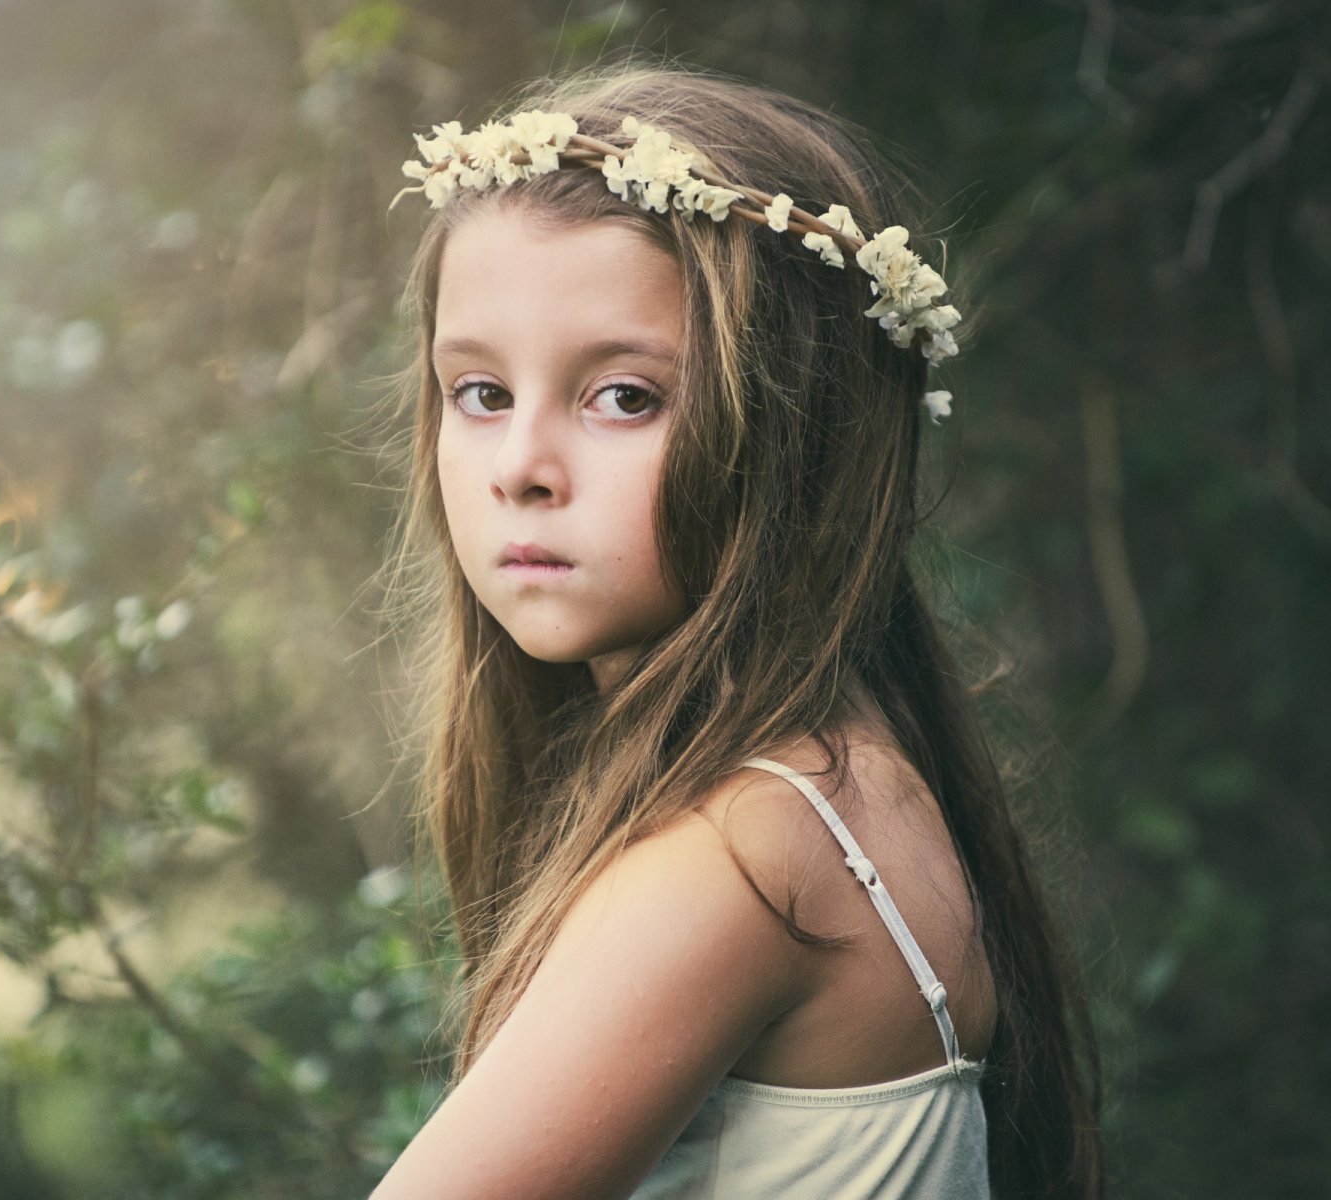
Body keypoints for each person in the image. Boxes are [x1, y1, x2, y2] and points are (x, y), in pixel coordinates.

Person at [366, 61, 1103, 1200]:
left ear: (792, 430)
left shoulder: (744, 849)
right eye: (480, 393)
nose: (520, 469)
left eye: (624, 396)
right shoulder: (840, 780)